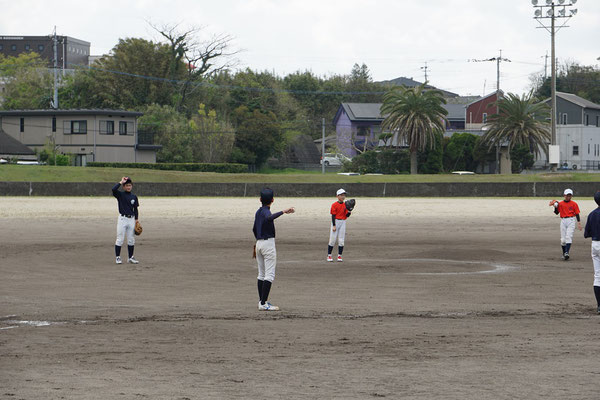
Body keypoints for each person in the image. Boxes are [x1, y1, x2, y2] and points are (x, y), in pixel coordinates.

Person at [252, 188, 295, 311]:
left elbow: (254, 228)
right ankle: (264, 303)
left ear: (260, 199)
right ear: (272, 200)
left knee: (261, 274)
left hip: (259, 243)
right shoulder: (266, 211)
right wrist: (283, 211)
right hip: (268, 245)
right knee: (269, 275)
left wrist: (257, 241)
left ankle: (261, 301)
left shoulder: (258, 211)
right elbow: (269, 218)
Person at [112, 176, 140, 264]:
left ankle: (130, 257)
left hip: (131, 219)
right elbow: (113, 189)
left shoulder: (134, 197)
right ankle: (118, 257)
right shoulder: (120, 195)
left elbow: (135, 209)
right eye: (127, 185)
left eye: (130, 185)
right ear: (124, 187)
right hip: (122, 219)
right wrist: (121, 182)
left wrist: (136, 220)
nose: (128, 187)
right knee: (120, 239)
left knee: (131, 239)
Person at [549, 188, 582, 260]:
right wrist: (555, 207)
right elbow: (557, 212)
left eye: (570, 195)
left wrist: (579, 222)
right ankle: (564, 253)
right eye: (567, 195)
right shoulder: (560, 203)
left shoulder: (574, 204)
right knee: (563, 240)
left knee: (568, 237)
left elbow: (577, 213)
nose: (568, 197)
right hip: (563, 221)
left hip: (571, 220)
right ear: (564, 195)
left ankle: (567, 252)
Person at [583, 191, 600, 314]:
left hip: (595, 244)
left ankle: (599, 306)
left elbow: (586, 234)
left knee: (598, 276)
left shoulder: (592, 214)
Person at [327, 188, 351, 262]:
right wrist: (334, 225)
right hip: (335, 222)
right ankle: (329, 255)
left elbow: (347, 215)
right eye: (341, 195)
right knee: (332, 240)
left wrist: (350, 210)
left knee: (341, 240)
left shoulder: (346, 204)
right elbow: (333, 215)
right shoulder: (334, 205)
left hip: (343, 222)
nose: (343, 197)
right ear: (337, 196)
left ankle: (339, 256)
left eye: (344, 195)